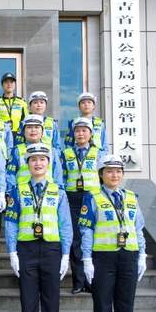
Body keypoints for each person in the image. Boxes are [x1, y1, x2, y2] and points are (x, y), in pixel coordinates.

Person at [5, 143, 73, 312]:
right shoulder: (18, 191)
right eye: (33, 159)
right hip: (27, 250)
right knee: (29, 306)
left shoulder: (58, 192)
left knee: (51, 306)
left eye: (42, 159)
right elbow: (11, 222)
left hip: (52, 251)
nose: (38, 163)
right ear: (28, 164)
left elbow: (65, 224)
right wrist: (12, 252)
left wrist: (66, 254)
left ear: (48, 163)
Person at [78, 154, 147, 312]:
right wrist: (86, 259)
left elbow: (138, 229)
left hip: (128, 257)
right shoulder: (92, 198)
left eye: (118, 171)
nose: (114, 175)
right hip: (103, 258)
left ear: (122, 174)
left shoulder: (131, 198)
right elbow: (86, 230)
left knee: (126, 307)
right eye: (109, 171)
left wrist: (142, 255)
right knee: (103, 307)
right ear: (101, 175)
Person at [61, 117, 104, 295]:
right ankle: (79, 282)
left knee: (92, 237)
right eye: (77, 131)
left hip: (92, 198)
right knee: (76, 239)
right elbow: (63, 176)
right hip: (72, 198)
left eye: (84, 130)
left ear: (90, 134)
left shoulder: (99, 153)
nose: (80, 134)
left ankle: (93, 281)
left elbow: (104, 177)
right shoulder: (66, 153)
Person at [6, 114, 63, 190]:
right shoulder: (17, 150)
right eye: (29, 127)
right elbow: (10, 175)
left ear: (42, 131)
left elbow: (58, 176)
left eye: (37, 127)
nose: (33, 130)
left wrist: (59, 192)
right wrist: (12, 192)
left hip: (48, 193)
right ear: (23, 131)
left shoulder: (52, 151)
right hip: (23, 193)